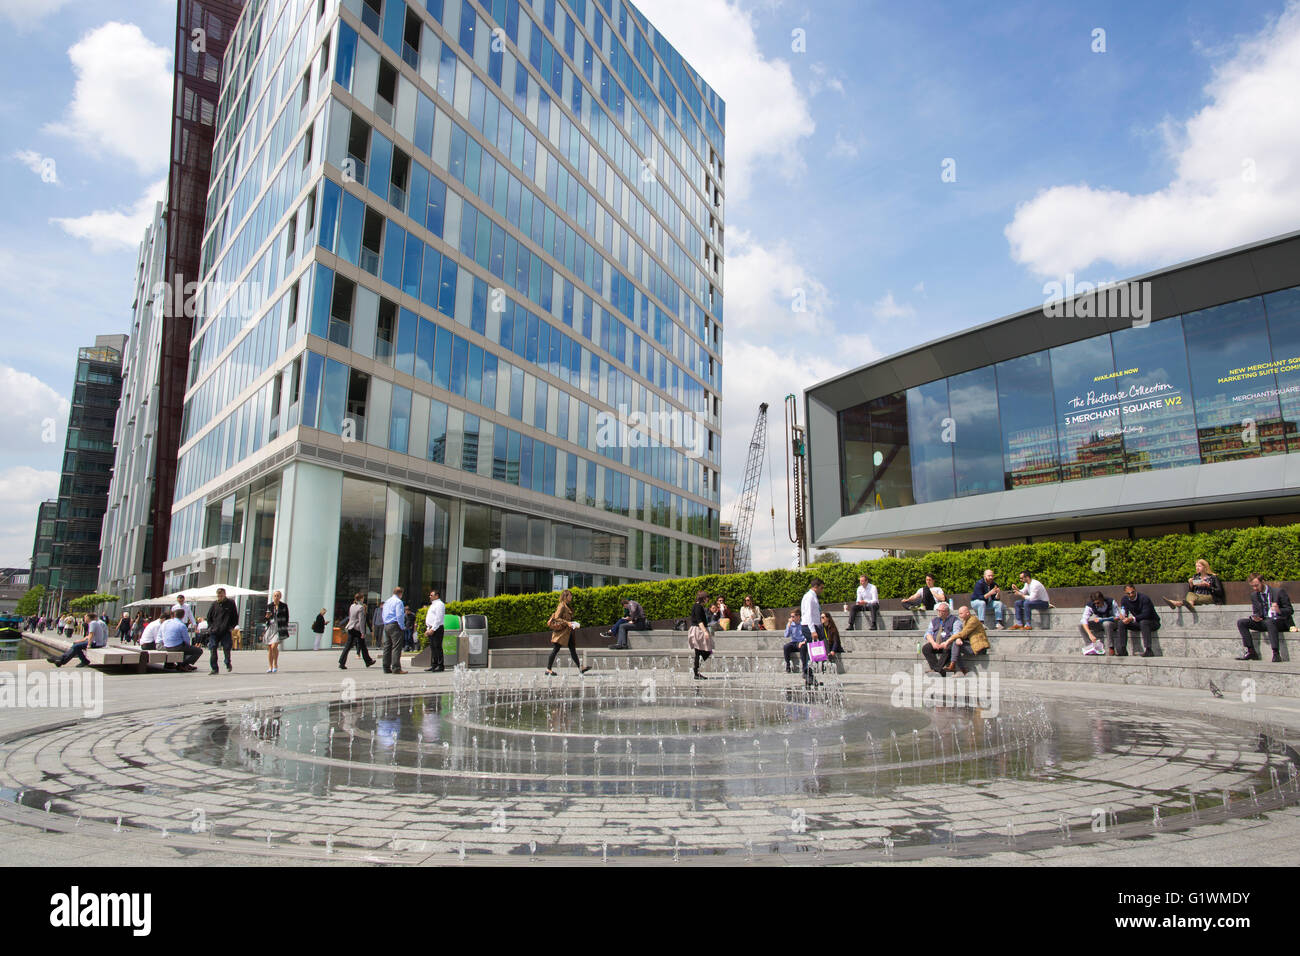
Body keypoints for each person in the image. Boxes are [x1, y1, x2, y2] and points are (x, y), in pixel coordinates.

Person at [1236, 574, 1294, 662]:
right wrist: (1255, 617)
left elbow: (1290, 610)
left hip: (1280, 621)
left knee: (1270, 622)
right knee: (1241, 622)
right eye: (1252, 586)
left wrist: (1279, 610)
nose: (1255, 588)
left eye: (1256, 585)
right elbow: (1257, 612)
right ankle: (1251, 651)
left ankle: (1276, 653)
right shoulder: (1254, 595)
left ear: (1263, 582)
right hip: (1265, 621)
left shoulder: (1278, 592)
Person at [545, 589, 590, 676]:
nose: (571, 597)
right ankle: (548, 669)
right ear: (565, 596)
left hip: (568, 633)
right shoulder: (561, 606)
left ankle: (580, 667)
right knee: (556, 649)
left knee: (573, 650)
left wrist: (573, 623)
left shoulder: (567, 606)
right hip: (561, 633)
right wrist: (568, 623)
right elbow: (557, 618)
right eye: (570, 595)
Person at [1116, 585, 1160, 658]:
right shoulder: (1125, 599)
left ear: (1135, 590)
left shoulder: (1144, 598)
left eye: (1132, 592)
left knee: (1144, 622)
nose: (1131, 595)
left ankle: (1148, 650)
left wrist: (1132, 619)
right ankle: (1123, 649)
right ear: (1125, 593)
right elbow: (1124, 610)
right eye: (1128, 594)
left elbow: (1146, 614)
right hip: (1138, 623)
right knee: (1121, 623)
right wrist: (1123, 616)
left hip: (1152, 622)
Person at [798, 578, 825, 687]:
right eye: (821, 588)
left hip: (815, 625)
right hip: (810, 626)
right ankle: (807, 674)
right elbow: (808, 615)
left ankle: (809, 676)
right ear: (816, 586)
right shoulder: (809, 597)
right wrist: (813, 630)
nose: (822, 590)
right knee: (813, 652)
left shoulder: (813, 596)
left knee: (815, 652)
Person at [946, 605, 988, 674]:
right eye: (959, 613)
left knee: (955, 644)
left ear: (967, 613)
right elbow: (963, 635)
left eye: (961, 613)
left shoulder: (973, 620)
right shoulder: (966, 621)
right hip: (972, 645)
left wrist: (949, 639)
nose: (959, 615)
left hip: (980, 647)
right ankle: (959, 667)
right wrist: (957, 639)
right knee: (955, 645)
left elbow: (963, 633)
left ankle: (954, 665)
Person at [206, 587, 239, 675]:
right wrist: (210, 627)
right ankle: (214, 668)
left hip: (225, 630)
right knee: (213, 648)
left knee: (227, 647)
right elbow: (209, 617)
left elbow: (235, 617)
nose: (220, 597)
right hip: (214, 631)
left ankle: (227, 662)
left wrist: (231, 627)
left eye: (221, 595)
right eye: (218, 596)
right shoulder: (214, 604)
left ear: (225, 594)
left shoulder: (231, 603)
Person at [920, 603, 959, 675]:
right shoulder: (934, 620)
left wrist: (946, 642)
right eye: (938, 610)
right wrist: (933, 643)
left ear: (946, 611)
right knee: (926, 648)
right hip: (936, 643)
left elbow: (956, 634)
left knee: (949, 647)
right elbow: (928, 633)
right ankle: (939, 670)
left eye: (941, 611)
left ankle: (936, 669)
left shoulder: (955, 620)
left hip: (947, 643)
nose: (938, 612)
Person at [161, 607, 203, 671]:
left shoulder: (166, 622)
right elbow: (187, 640)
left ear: (174, 615)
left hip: (166, 646)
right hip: (176, 647)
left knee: (184, 647)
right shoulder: (181, 625)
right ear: (183, 616)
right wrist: (190, 646)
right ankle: (183, 664)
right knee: (198, 651)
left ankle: (184, 664)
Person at [340, 593, 375, 669]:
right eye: (363, 598)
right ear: (361, 598)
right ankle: (368, 661)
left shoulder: (352, 606)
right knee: (363, 646)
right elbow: (361, 621)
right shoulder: (361, 608)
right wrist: (362, 632)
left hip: (350, 627)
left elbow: (351, 617)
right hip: (357, 629)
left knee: (348, 646)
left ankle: (341, 662)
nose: (363, 599)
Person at [1079, 591, 1118, 656]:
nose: (1096, 605)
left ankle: (1111, 647)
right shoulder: (1090, 605)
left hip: (1112, 623)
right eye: (1095, 603)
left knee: (1106, 623)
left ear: (1102, 599)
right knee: (1081, 625)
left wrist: (1103, 619)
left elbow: (1117, 617)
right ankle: (1090, 646)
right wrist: (1090, 634)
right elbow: (1084, 619)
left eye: (1098, 603)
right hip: (1099, 624)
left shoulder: (1111, 602)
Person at [688, 590, 714, 680]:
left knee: (700, 652)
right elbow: (699, 621)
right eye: (707, 598)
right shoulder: (698, 607)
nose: (708, 600)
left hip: (697, 630)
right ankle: (696, 671)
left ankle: (696, 670)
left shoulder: (696, 606)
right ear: (703, 598)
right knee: (703, 651)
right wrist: (705, 632)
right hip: (698, 630)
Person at [381, 586, 407, 674]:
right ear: (400, 593)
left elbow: (383, 614)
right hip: (395, 625)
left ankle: (386, 667)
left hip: (386, 625)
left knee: (387, 646)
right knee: (396, 647)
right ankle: (396, 668)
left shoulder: (387, 601)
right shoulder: (398, 602)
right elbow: (399, 615)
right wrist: (402, 626)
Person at [264, 590, 290, 673]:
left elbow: (287, 617)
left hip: (279, 628)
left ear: (280, 597)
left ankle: (275, 664)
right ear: (273, 597)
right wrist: (267, 617)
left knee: (274, 646)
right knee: (270, 648)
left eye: (278, 595)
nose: (276, 597)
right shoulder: (269, 606)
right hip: (270, 628)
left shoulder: (284, 606)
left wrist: (285, 627)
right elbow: (265, 619)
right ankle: (270, 666)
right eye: (275, 595)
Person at [424, 589, 446, 671]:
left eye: (431, 595)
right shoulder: (433, 605)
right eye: (430, 595)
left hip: (437, 628)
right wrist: (428, 628)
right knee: (433, 647)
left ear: (437, 596)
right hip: (430, 628)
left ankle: (440, 665)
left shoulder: (440, 604)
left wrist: (433, 629)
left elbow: (438, 618)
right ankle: (434, 664)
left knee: (437, 647)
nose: (430, 597)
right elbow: (430, 618)